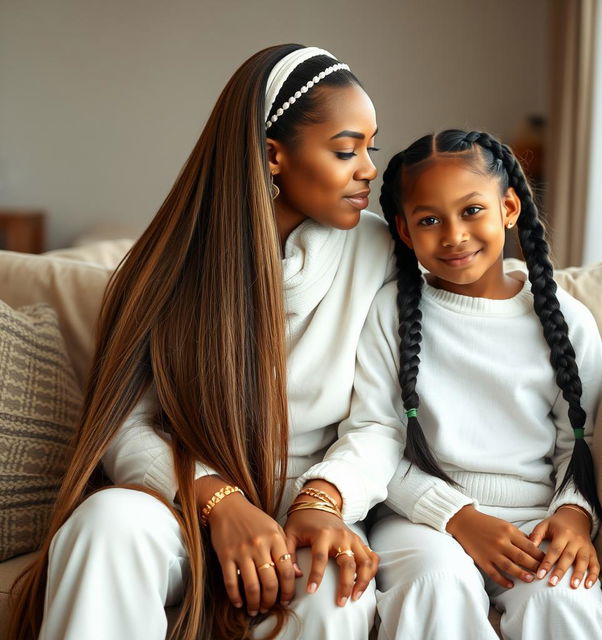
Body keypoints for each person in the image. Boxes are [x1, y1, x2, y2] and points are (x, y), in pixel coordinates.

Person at [8, 44, 395, 640]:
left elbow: (381, 423)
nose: (369, 167)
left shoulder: (381, 255)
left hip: (311, 511)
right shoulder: (168, 264)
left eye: (370, 147)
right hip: (184, 499)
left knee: (334, 595)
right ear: (273, 156)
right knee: (106, 524)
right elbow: (126, 424)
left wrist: (322, 501)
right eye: (347, 150)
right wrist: (219, 503)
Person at [302, 129, 602, 639]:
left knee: (561, 600)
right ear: (406, 233)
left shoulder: (567, 320)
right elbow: (380, 438)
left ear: (510, 208)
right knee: (435, 584)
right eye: (430, 220)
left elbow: (579, 443)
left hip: (534, 521)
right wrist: (460, 519)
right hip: (421, 521)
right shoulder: (389, 313)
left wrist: (573, 516)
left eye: (472, 210)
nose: (454, 235)